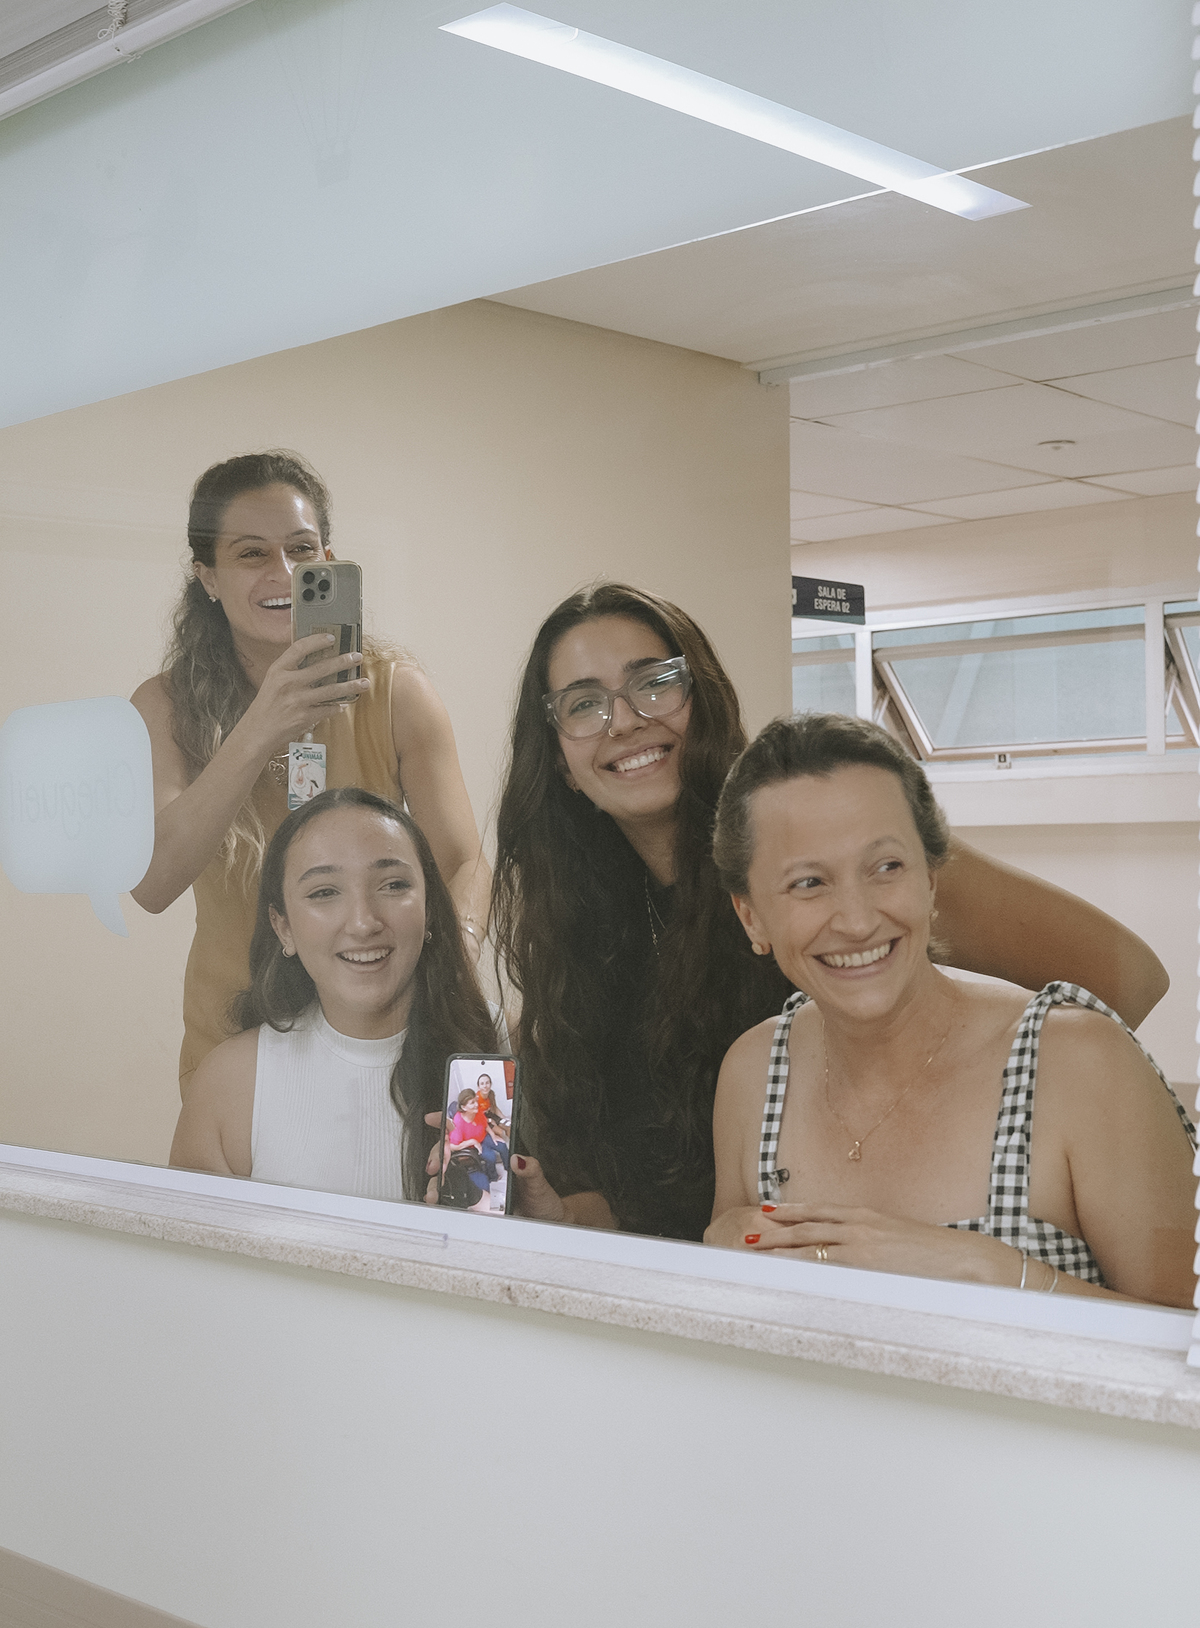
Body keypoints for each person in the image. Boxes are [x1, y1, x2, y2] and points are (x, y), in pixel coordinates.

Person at [491, 582, 1170, 1244]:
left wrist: (952, 1170)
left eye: (655, 682)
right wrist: (563, 1216)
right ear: (559, 759)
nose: (625, 720)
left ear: (705, 698)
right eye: (584, 704)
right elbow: (657, 1202)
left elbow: (1129, 980)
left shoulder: (845, 832)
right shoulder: (587, 926)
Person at [704, 714, 1195, 1307]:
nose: (857, 920)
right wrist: (718, 1254)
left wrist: (990, 1270)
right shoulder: (754, 1073)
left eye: (887, 867)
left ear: (932, 880)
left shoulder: (1080, 1062)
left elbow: (1187, 1335)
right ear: (751, 917)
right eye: (809, 883)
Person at [131, 451, 489, 1091]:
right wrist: (262, 726)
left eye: (301, 549)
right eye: (251, 553)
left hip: (386, 1034)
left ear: (328, 559)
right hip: (235, 1043)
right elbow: (152, 884)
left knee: (452, 1152)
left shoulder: (395, 693)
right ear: (207, 577)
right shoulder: (163, 707)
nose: (283, 572)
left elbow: (465, 861)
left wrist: (446, 965)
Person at [169, 788, 498, 1203]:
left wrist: (542, 1214)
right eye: (324, 892)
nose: (363, 922)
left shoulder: (507, 1047)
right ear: (283, 927)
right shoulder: (230, 1082)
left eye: (393, 885)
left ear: (430, 907)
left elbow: (570, 1215)